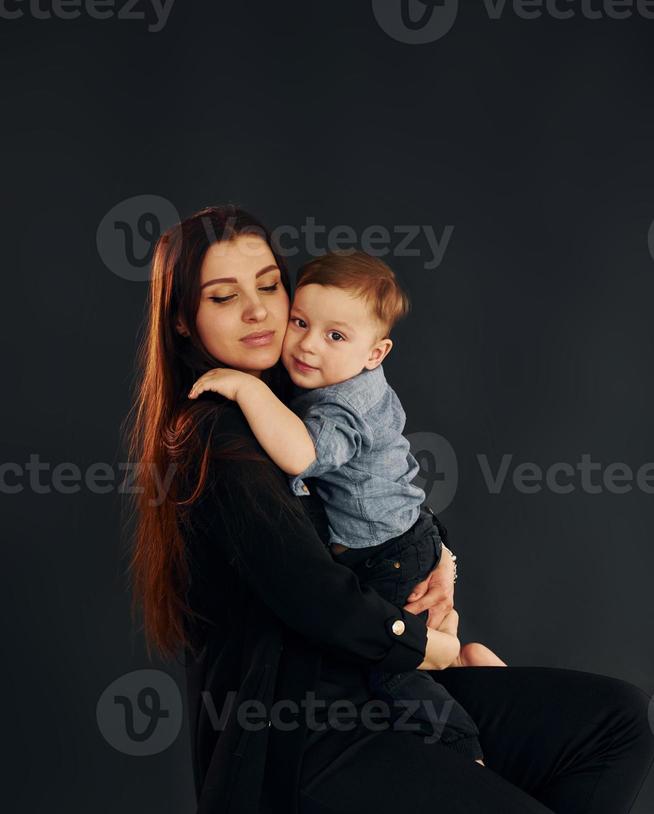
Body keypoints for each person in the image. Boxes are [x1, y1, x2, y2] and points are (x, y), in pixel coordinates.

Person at [124, 204, 654, 814]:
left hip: (373, 690)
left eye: (269, 285)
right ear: (181, 322)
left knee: (616, 720)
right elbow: (320, 601)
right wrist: (432, 647)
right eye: (222, 296)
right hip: (303, 736)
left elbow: (374, 485)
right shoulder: (218, 440)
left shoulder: (302, 392)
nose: (258, 311)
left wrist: (441, 553)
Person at [188, 249, 503, 762]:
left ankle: (462, 748)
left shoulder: (342, 402)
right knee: (392, 653)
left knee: (385, 668)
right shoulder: (331, 380)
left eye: (335, 336)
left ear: (375, 354)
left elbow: (300, 454)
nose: (308, 345)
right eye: (300, 323)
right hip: (401, 537)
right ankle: (473, 670)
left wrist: (245, 387)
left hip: (386, 552)